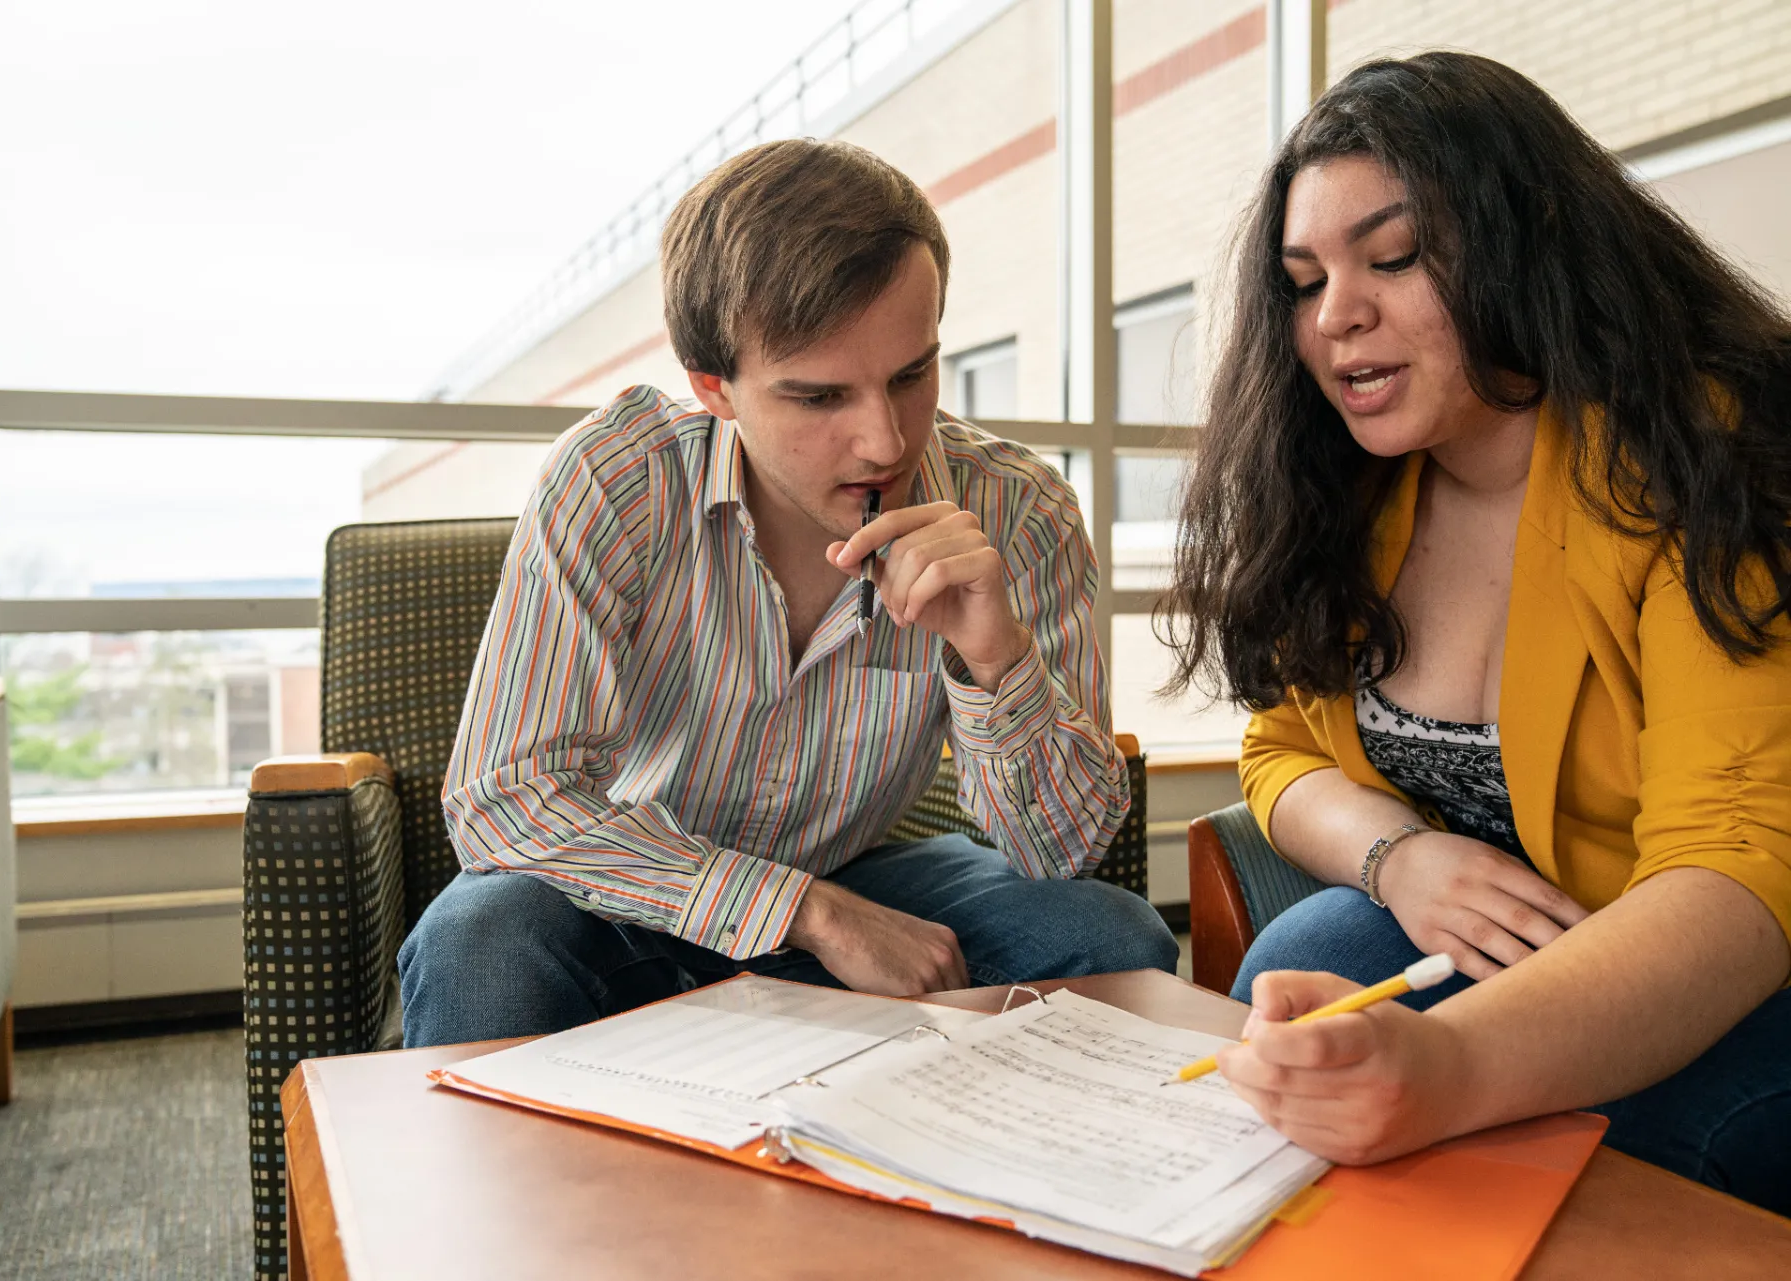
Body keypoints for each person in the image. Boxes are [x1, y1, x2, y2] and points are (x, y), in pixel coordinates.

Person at [1160, 52, 1791, 1211]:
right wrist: (1400, 857)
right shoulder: (1355, 490)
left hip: (1744, 971)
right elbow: (1279, 751)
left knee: (1640, 1153)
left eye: (1393, 259)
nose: (1338, 314)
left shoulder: (1705, 455)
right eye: (1305, 282)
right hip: (1519, 950)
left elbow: (1737, 870)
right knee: (1312, 961)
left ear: (1529, 247)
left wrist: (1448, 1069)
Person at [401, 139, 1176, 1046]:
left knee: (1108, 937)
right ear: (712, 386)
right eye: (819, 397)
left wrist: (994, 659)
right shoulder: (616, 481)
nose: (886, 441)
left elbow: (1062, 853)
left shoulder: (1019, 508)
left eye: (912, 374)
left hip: (860, 869)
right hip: (634, 888)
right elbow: (504, 797)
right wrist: (809, 913)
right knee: (479, 942)